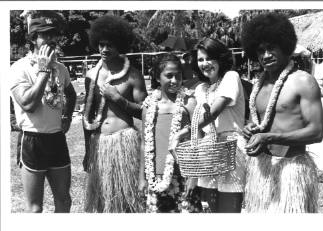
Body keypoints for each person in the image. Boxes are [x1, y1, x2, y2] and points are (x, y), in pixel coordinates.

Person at [241, 12, 323, 213]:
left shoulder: (303, 81)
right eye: (260, 50)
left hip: (292, 171)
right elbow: (260, 124)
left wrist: (270, 137)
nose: (266, 55)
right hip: (261, 170)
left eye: (271, 48)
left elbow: (316, 132)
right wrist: (250, 129)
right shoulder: (258, 85)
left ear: (285, 46)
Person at [10, 11, 77, 213]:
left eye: (53, 34)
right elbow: (28, 104)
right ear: (33, 38)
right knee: (35, 209)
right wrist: (43, 70)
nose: (51, 39)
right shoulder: (19, 68)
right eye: (44, 35)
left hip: (56, 139)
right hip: (32, 140)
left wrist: (66, 118)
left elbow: (71, 94)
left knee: (64, 201)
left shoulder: (61, 69)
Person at [170, 37, 247, 213]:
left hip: (231, 150)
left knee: (228, 209)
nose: (205, 63)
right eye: (200, 59)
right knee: (209, 209)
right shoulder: (201, 88)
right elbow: (200, 129)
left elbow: (212, 113)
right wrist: (194, 172)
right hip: (208, 152)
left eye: (209, 58)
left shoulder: (230, 77)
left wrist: (183, 132)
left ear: (220, 58)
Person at [82, 15, 147, 213]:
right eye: (101, 44)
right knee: (103, 200)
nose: (104, 50)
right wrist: (87, 151)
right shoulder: (91, 75)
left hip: (125, 142)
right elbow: (88, 115)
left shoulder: (133, 75)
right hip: (99, 144)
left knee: (126, 201)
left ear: (120, 44)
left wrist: (119, 99)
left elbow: (146, 111)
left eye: (109, 45)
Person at [138, 54, 202, 213]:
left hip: (184, 175)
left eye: (178, 75)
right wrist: (142, 178)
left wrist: (194, 176)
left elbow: (199, 139)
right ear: (158, 78)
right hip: (157, 176)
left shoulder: (189, 102)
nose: (174, 80)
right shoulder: (149, 106)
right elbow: (144, 144)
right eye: (169, 76)